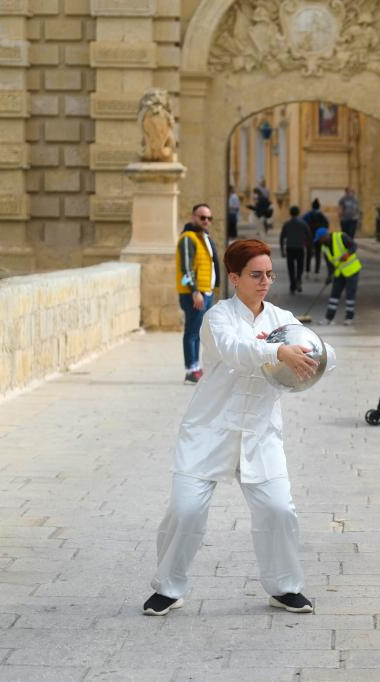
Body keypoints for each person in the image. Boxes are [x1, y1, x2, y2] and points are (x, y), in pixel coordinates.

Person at [144, 238, 336, 618]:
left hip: (260, 433)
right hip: (209, 429)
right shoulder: (218, 317)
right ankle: (168, 588)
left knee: (279, 509)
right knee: (185, 511)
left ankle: (284, 588)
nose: (265, 281)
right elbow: (235, 350)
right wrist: (276, 351)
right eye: (256, 274)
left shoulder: (282, 319)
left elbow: (317, 351)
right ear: (234, 277)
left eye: (269, 274)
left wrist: (317, 358)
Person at [175, 203, 222, 383]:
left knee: (198, 332)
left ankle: (196, 367)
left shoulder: (204, 237)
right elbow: (186, 268)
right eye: (202, 218)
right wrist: (195, 291)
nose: (206, 221)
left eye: (209, 218)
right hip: (194, 293)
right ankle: (191, 369)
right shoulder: (188, 238)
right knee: (192, 332)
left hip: (206, 292)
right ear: (193, 217)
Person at [317, 223, 362, 325]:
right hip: (339, 272)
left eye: (320, 239)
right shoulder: (324, 248)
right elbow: (330, 264)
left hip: (352, 270)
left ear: (324, 237)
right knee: (334, 295)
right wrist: (329, 276)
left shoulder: (341, 237)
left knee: (350, 295)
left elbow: (354, 245)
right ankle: (328, 318)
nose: (320, 241)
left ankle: (349, 318)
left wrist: (348, 254)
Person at [279, 205, 310, 294]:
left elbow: (282, 237)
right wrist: (310, 248)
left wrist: (282, 250)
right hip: (300, 248)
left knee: (291, 267)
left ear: (290, 213)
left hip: (290, 248)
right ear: (298, 213)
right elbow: (309, 236)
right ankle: (298, 279)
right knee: (300, 266)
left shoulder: (287, 224)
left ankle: (292, 285)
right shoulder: (303, 223)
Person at [301, 198, 329, 278]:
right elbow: (327, 224)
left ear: (312, 206)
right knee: (318, 254)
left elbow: (302, 223)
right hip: (319, 237)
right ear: (319, 207)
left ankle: (307, 271)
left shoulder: (308, 214)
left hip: (310, 237)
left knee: (309, 254)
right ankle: (317, 272)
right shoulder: (322, 215)